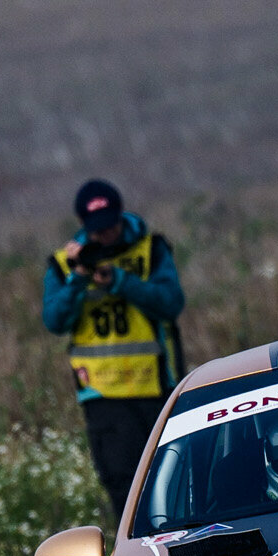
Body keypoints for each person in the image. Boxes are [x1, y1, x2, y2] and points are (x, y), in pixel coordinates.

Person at [42, 179, 186, 521]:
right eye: (96, 231)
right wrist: (79, 277)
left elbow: (171, 303)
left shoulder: (151, 250)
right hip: (102, 394)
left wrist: (122, 282)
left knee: (171, 481)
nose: (104, 236)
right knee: (124, 487)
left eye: (110, 227)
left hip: (154, 387)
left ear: (120, 216)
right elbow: (54, 320)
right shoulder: (64, 264)